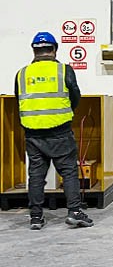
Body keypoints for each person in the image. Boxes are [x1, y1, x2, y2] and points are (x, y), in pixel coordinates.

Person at [15, 31, 94, 230]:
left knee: (36, 176)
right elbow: (75, 96)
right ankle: (74, 212)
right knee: (68, 172)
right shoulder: (64, 70)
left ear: (34, 51)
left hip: (33, 133)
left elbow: (19, 101)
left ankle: (35, 217)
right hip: (60, 131)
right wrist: (64, 113)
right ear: (54, 49)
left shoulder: (22, 74)